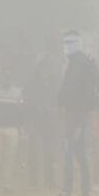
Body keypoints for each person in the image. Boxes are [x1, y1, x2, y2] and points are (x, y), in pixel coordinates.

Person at [56, 30, 99, 196]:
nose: (66, 46)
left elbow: (69, 89)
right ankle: (85, 192)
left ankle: (67, 191)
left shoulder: (77, 63)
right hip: (81, 113)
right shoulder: (81, 62)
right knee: (80, 152)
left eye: (68, 42)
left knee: (69, 151)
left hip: (75, 113)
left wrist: (61, 103)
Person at [23, 55, 59, 189]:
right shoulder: (32, 83)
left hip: (50, 122)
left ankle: (49, 180)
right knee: (33, 152)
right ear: (39, 68)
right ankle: (33, 181)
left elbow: (57, 100)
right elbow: (27, 101)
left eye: (48, 67)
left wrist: (54, 114)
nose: (45, 69)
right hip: (35, 120)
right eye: (43, 66)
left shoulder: (54, 82)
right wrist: (29, 121)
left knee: (49, 152)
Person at [0, 67, 24, 192]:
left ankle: (7, 183)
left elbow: (20, 111)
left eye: (9, 76)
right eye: (5, 76)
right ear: (1, 77)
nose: (7, 78)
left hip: (12, 128)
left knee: (10, 157)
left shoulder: (17, 93)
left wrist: (20, 127)